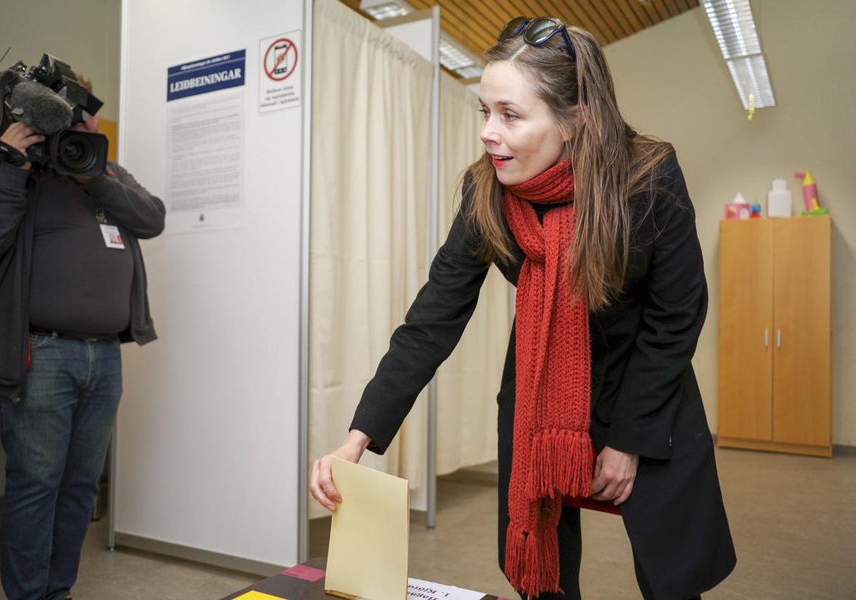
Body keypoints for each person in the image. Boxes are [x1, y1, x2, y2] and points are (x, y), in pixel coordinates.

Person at [310, 16, 736, 600]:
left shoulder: (648, 179)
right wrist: (357, 436)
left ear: (575, 120)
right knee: (543, 578)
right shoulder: (486, 190)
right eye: (485, 111)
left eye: (510, 115)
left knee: (673, 573)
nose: (488, 132)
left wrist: (629, 440)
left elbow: (676, 317)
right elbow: (433, 318)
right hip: (541, 393)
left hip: (645, 390)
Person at [0, 83, 164, 600]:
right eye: (71, 117)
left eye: (90, 117)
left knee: (78, 487)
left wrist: (94, 175)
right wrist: (11, 163)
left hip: (105, 357)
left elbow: (151, 218)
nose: (83, 126)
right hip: (41, 354)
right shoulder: (15, 169)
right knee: (36, 486)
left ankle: (58, 592)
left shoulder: (104, 169)